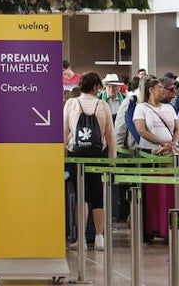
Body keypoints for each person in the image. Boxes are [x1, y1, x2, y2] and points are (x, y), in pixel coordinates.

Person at [63, 72, 113, 250]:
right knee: (98, 195)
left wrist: (63, 156)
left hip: (76, 156)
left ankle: (81, 239)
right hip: (98, 155)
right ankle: (100, 238)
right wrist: (111, 160)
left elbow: (65, 133)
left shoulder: (71, 103)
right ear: (95, 87)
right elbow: (110, 135)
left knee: (81, 196)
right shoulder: (103, 105)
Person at [134, 75, 179, 155]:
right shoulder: (141, 107)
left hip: (169, 151)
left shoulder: (169, 108)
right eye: (160, 87)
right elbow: (141, 131)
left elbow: (177, 130)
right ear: (151, 90)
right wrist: (161, 142)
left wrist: (175, 143)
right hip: (149, 151)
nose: (164, 90)